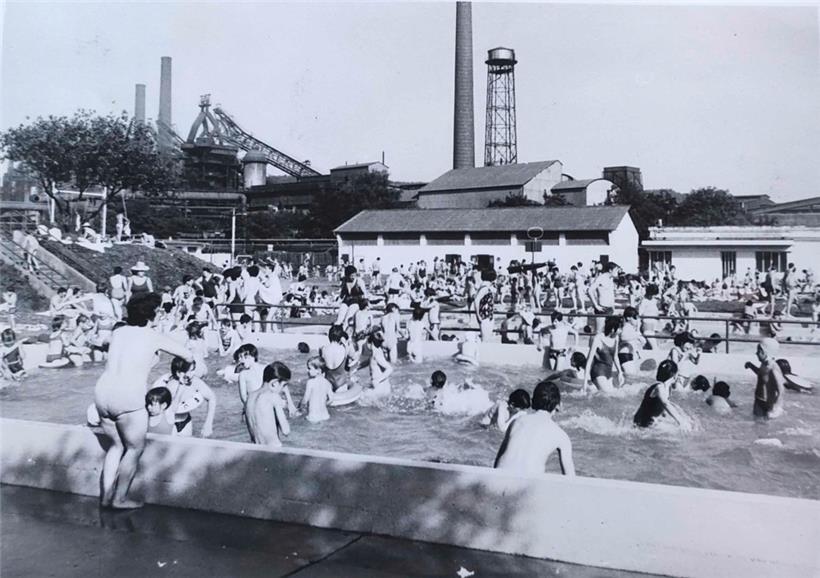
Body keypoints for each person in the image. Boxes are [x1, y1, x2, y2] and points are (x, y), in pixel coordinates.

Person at [94, 292, 194, 509]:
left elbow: (102, 343)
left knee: (115, 446)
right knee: (134, 449)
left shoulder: (118, 332)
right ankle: (119, 499)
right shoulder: (153, 336)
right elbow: (187, 355)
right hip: (128, 396)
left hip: (102, 393)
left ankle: (105, 498)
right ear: (152, 313)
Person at [494, 381, 575, 476]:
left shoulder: (518, 421)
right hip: (527, 485)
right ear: (559, 406)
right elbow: (570, 478)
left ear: (533, 402)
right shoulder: (561, 436)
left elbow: (497, 460)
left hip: (498, 477)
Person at [152, 357, 217, 437]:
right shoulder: (170, 385)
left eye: (193, 369)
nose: (193, 373)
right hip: (169, 423)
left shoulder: (196, 382)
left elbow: (212, 398)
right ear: (179, 373)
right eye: (191, 370)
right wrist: (181, 386)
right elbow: (171, 409)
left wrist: (208, 424)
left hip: (185, 421)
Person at [245, 361, 292, 447]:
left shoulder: (250, 396)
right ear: (274, 383)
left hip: (255, 450)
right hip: (273, 449)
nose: (283, 390)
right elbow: (286, 431)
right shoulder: (273, 397)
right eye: (284, 385)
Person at [633, 360, 690, 429]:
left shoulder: (667, 388)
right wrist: (681, 421)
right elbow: (665, 404)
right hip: (641, 422)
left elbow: (661, 407)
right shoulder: (660, 387)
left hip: (649, 420)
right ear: (675, 375)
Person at [745, 337, 786, 419]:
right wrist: (751, 366)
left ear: (765, 352)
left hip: (769, 404)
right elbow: (761, 374)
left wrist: (775, 407)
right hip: (759, 400)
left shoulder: (773, 368)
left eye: (759, 351)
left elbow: (781, 390)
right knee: (756, 425)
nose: (756, 353)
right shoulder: (764, 364)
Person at [583, 316, 624, 393]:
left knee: (613, 395)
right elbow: (589, 361)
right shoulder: (598, 338)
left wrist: (620, 372)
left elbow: (615, 357)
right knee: (609, 395)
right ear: (612, 329)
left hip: (608, 372)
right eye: (620, 328)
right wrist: (584, 384)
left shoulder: (616, 338)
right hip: (598, 372)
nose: (621, 331)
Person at [299, 356, 334, 423]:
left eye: (309, 368)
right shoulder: (328, 383)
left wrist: (300, 408)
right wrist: (323, 404)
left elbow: (305, 400)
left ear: (318, 371)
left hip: (313, 417)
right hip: (325, 416)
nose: (307, 370)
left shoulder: (310, 382)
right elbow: (331, 399)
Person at [588, 262, 620, 334]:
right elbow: (590, 290)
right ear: (610, 270)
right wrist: (596, 305)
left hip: (610, 309)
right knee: (598, 332)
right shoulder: (601, 278)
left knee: (608, 332)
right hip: (602, 308)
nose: (617, 272)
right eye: (616, 270)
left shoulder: (610, 279)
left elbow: (610, 294)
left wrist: (613, 308)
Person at [321, 324, 351, 391]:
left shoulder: (323, 349)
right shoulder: (344, 349)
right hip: (340, 382)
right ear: (341, 337)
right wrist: (345, 344)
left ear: (329, 336)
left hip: (328, 381)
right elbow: (353, 358)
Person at [473, 269, 497, 342]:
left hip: (487, 315)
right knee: (485, 339)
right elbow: (476, 300)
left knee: (487, 338)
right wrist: (478, 315)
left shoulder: (486, 286)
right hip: (485, 316)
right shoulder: (485, 288)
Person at [368, 330, 393, 396]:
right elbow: (371, 363)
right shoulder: (376, 351)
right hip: (381, 385)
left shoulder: (377, 355)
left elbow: (390, 369)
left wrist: (378, 380)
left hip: (380, 386)